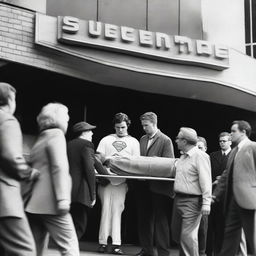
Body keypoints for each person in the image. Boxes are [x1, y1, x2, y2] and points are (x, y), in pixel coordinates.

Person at [25, 103, 79, 256]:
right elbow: (59, 166)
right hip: (52, 202)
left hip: (33, 204)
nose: (68, 121)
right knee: (70, 245)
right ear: (59, 118)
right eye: (67, 118)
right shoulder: (56, 135)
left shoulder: (41, 138)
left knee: (35, 248)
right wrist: (63, 198)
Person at [0, 82, 39, 256]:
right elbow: (11, 157)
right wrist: (30, 173)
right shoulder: (7, 120)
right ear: (9, 100)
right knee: (24, 251)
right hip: (4, 199)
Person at [97, 112, 140, 255]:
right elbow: (97, 159)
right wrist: (108, 160)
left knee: (117, 211)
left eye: (122, 127)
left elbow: (137, 163)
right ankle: (102, 242)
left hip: (122, 181)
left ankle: (116, 243)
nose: (120, 130)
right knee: (105, 210)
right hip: (106, 180)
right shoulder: (106, 139)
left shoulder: (134, 142)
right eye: (117, 127)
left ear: (127, 125)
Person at [213, 120, 256, 256]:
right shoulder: (233, 152)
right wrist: (215, 195)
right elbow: (226, 176)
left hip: (250, 200)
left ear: (243, 132)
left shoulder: (253, 147)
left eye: (233, 131)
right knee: (230, 236)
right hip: (233, 201)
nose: (231, 134)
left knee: (253, 238)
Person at [136, 112, 175, 256]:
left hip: (159, 187)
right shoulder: (142, 139)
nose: (144, 128)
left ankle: (163, 252)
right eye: (143, 125)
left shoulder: (166, 140)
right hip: (143, 186)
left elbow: (169, 165)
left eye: (146, 125)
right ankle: (147, 251)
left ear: (154, 124)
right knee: (144, 219)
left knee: (160, 220)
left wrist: (153, 162)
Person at [172, 127, 211, 256]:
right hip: (178, 199)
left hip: (192, 202)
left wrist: (206, 203)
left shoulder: (200, 156)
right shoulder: (182, 157)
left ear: (185, 141)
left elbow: (206, 181)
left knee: (188, 237)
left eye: (178, 138)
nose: (176, 140)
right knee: (177, 234)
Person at [67, 121, 97, 240]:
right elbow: (90, 169)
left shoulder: (69, 144)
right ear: (84, 133)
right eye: (90, 131)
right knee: (80, 226)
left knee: (72, 224)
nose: (92, 133)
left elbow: (94, 161)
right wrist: (93, 194)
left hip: (69, 189)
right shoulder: (87, 145)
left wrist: (105, 172)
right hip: (80, 193)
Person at [197, 136, 209, 256]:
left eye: (200, 147)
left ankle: (202, 253)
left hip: (203, 198)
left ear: (205, 148)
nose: (198, 150)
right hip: (190, 198)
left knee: (202, 227)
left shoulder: (207, 160)